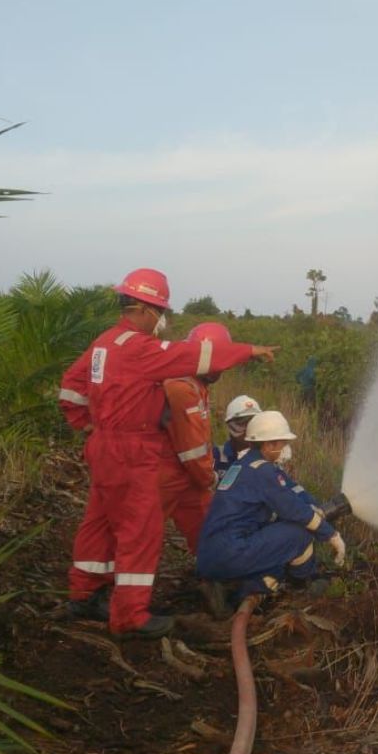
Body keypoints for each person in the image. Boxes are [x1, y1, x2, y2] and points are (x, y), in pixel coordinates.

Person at [58, 268, 277, 639]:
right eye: (159, 312)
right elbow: (197, 356)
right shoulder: (141, 349)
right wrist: (248, 351)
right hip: (133, 450)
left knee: (99, 521)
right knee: (139, 530)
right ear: (145, 308)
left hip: (105, 447)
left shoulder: (104, 344)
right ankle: (129, 615)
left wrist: (89, 424)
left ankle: (84, 594)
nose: (160, 321)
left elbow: (71, 390)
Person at [196, 411, 345, 601]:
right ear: (268, 445)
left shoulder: (243, 464)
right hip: (232, 552)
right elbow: (294, 510)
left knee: (277, 551)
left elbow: (289, 496)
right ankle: (303, 584)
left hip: (211, 556)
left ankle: (229, 590)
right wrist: (331, 535)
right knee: (300, 533)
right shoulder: (263, 471)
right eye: (282, 443)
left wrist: (312, 507)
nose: (285, 448)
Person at [158, 322, 230, 556]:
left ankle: (215, 575)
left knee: (207, 528)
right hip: (166, 475)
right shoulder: (183, 388)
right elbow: (192, 449)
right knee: (141, 537)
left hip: (185, 476)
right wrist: (208, 477)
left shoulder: (194, 383)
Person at [212, 394, 261, 477]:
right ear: (229, 425)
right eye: (241, 424)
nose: (248, 431)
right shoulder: (216, 456)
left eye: (253, 424)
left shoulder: (266, 456)